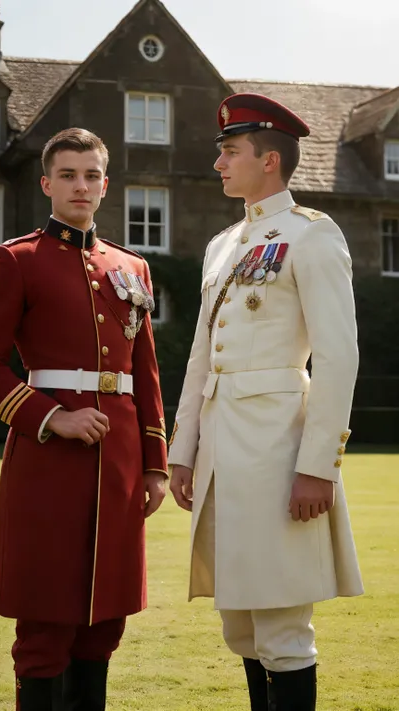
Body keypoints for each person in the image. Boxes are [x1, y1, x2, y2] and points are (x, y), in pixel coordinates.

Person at [0, 127, 167, 711]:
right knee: (45, 622)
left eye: (92, 174)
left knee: (104, 626)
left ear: (107, 185)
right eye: (69, 175)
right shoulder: (16, 259)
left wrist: (154, 465)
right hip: (48, 461)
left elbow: (145, 376)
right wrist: (53, 417)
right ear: (47, 183)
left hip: (122, 464)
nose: (81, 185)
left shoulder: (133, 268)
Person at [168, 93, 363, 711]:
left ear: (269, 159)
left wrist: (317, 466)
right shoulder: (223, 245)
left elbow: (337, 358)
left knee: (282, 627)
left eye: (230, 152)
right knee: (242, 627)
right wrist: (183, 451)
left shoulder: (312, 236)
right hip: (224, 457)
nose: (219, 164)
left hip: (281, 453)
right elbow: (202, 357)